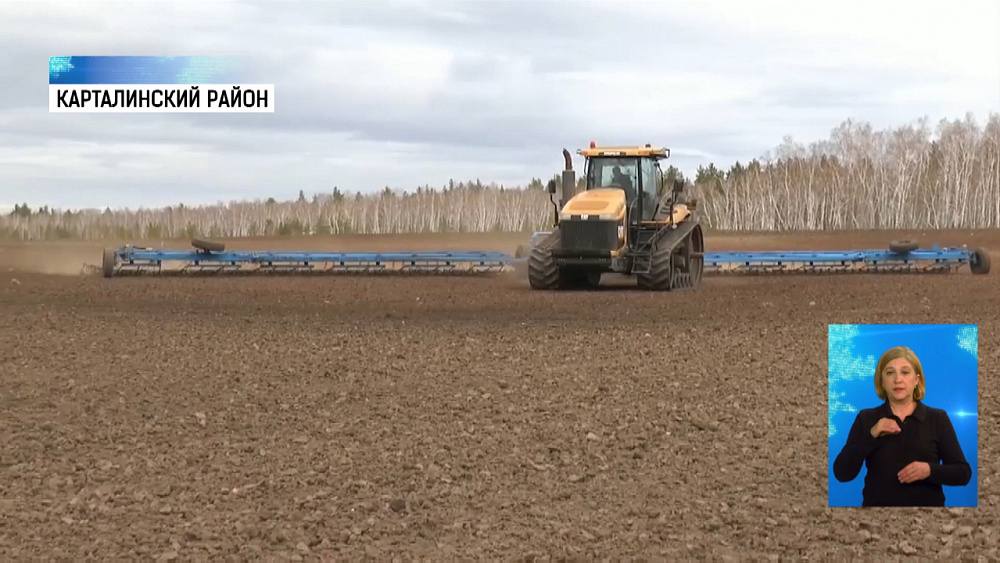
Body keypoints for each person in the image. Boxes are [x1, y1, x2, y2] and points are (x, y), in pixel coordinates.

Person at [832, 345, 971, 506]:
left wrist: (929, 470)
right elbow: (842, 473)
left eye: (905, 372)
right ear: (882, 382)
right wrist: (871, 435)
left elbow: (963, 473)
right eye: (890, 373)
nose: (898, 379)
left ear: (916, 380)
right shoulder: (866, 418)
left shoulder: (938, 418)